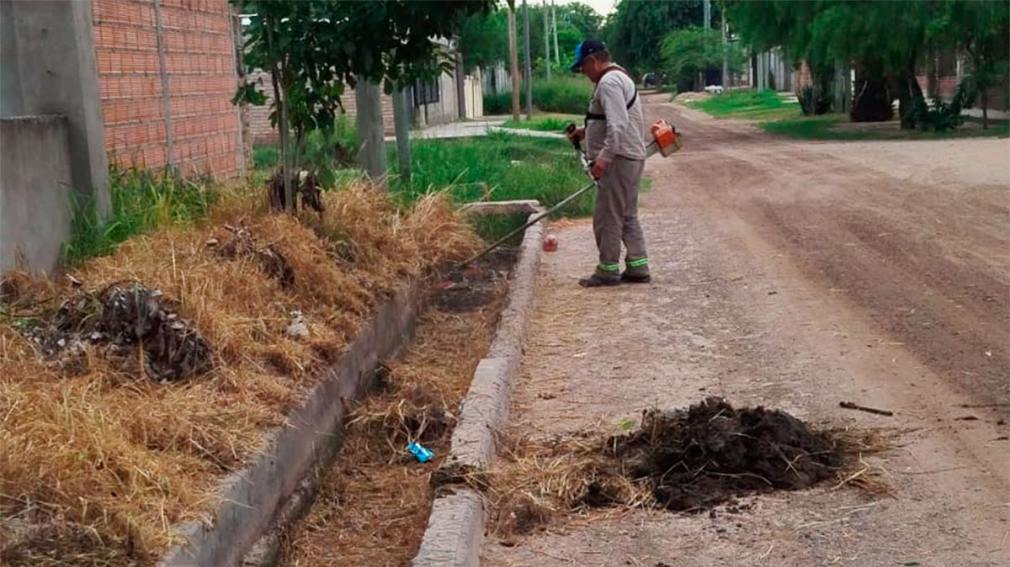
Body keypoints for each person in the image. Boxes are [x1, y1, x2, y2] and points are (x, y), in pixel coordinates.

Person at [566, 39, 650, 287]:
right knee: (626, 215)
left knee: (608, 217)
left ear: (592, 61)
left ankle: (608, 269)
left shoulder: (609, 82)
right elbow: (611, 119)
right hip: (629, 157)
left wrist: (603, 159)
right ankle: (638, 266)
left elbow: (618, 125)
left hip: (618, 160)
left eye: (582, 67)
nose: (583, 73)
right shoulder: (619, 78)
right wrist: (584, 132)